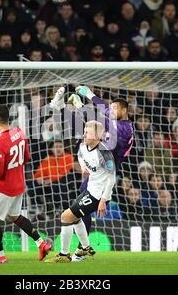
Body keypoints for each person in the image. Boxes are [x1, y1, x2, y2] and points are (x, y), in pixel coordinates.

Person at [49, 85, 134, 261]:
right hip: (97, 170)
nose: (111, 111)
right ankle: (83, 247)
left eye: (115, 108)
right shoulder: (117, 127)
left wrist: (89, 95)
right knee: (87, 130)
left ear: (124, 111)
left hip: (105, 173)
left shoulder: (124, 128)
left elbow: (101, 113)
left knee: (75, 212)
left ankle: (80, 250)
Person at [0, 105, 51, 264]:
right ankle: (41, 243)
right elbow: (26, 157)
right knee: (15, 216)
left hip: (3, 188)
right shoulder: (18, 132)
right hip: (19, 184)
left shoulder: (0, 142)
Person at [45, 121, 116, 263]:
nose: (84, 135)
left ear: (97, 136)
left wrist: (103, 200)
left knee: (66, 217)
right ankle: (85, 247)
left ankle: (64, 255)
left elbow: (111, 178)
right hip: (90, 189)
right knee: (75, 218)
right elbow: (80, 155)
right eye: (84, 131)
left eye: (87, 132)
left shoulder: (105, 154)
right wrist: (83, 167)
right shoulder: (84, 146)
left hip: (98, 195)